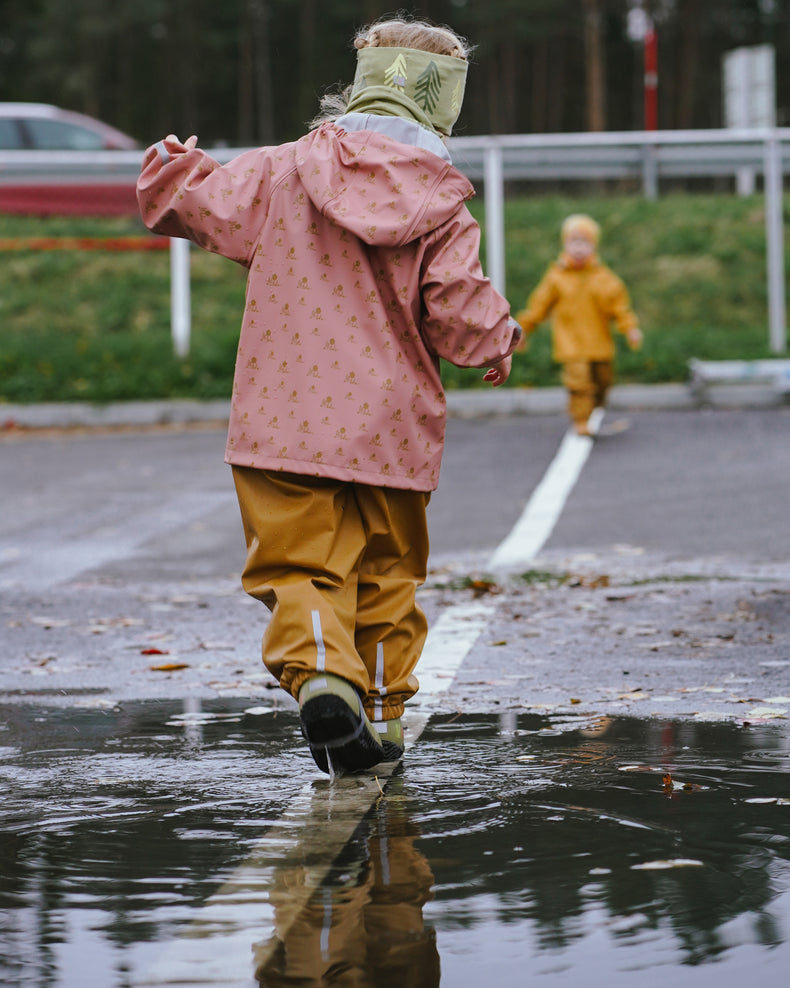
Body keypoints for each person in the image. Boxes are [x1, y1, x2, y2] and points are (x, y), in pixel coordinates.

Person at [136, 16, 520, 776]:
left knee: (300, 568)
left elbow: (188, 200)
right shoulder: (442, 204)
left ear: (360, 85)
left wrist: (171, 163)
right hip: (391, 432)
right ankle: (383, 713)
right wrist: (496, 338)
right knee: (387, 573)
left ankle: (322, 679)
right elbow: (457, 307)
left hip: (282, 420)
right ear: (446, 109)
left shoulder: (283, 171)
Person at [515, 213, 642, 436]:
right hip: (570, 343)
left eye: (585, 242)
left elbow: (620, 306)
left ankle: (593, 407)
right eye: (574, 242)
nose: (579, 248)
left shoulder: (604, 277)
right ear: (565, 244)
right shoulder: (556, 277)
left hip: (599, 342)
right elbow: (538, 306)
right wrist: (524, 328)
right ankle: (581, 420)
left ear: (593, 246)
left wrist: (630, 328)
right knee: (579, 383)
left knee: (603, 381)